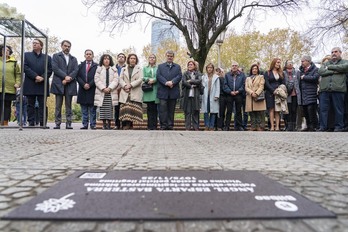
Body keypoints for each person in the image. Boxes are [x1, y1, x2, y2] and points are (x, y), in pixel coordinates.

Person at [23, 38, 53, 128]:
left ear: (41, 46)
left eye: (36, 43)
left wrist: (42, 77)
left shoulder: (47, 57)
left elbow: (50, 69)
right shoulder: (26, 55)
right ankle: (31, 122)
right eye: (33, 43)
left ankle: (43, 123)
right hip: (30, 83)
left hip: (42, 84)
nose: (34, 44)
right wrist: (36, 76)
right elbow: (25, 67)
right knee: (30, 104)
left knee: (42, 104)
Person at [318, 47, 348, 132]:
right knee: (323, 109)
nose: (333, 53)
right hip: (325, 89)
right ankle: (323, 126)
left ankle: (339, 126)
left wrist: (330, 67)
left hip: (338, 89)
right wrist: (335, 70)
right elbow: (320, 71)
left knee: (338, 109)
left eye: (336, 52)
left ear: (340, 53)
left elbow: (345, 67)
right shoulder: (325, 63)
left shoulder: (345, 62)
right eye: (332, 52)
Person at [51, 40, 78, 129]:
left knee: (68, 105)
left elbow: (75, 70)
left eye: (69, 46)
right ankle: (57, 123)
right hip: (59, 83)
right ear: (62, 46)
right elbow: (55, 68)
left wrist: (69, 78)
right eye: (65, 46)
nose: (67, 48)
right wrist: (65, 77)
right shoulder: (56, 56)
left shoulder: (73, 59)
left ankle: (69, 123)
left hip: (70, 84)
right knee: (58, 105)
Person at [156, 50, 182, 130]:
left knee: (171, 110)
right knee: (162, 110)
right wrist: (166, 82)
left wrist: (172, 82)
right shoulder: (160, 66)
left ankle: (170, 125)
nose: (169, 57)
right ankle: (163, 125)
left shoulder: (177, 67)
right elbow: (158, 76)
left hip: (173, 91)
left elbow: (179, 76)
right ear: (166, 56)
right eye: (168, 56)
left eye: (171, 56)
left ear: (173, 57)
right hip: (163, 92)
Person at [94, 54, 119, 130]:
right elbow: (96, 79)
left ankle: (109, 124)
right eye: (104, 59)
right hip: (102, 92)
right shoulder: (99, 69)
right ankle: (104, 124)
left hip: (111, 92)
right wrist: (103, 88)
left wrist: (110, 88)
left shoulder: (114, 69)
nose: (106, 60)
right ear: (102, 60)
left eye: (108, 59)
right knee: (103, 108)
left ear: (110, 60)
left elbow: (116, 80)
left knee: (110, 109)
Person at [119, 53, 143, 130]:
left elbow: (140, 79)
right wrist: (125, 86)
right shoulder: (124, 69)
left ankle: (131, 124)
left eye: (134, 58)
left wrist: (131, 85)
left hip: (134, 90)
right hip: (125, 91)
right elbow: (120, 79)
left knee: (133, 108)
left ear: (136, 60)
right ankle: (126, 124)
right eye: (131, 58)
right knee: (126, 108)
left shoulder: (139, 69)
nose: (133, 60)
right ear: (128, 59)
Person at [76, 49, 98, 130]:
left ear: (93, 56)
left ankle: (93, 124)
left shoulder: (96, 66)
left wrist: (90, 84)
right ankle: (85, 124)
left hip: (92, 89)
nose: (88, 55)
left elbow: (97, 77)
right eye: (87, 54)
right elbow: (77, 76)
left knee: (92, 109)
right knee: (84, 108)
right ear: (84, 55)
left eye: (90, 54)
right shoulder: (80, 65)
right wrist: (83, 84)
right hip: (82, 89)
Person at [0, 44, 21, 126]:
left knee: (7, 105)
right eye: (4, 50)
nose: (6, 52)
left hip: (9, 87)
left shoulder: (14, 62)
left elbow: (18, 74)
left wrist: (18, 83)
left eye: (8, 50)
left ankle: (5, 121)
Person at [223, 61, 246, 131]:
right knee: (229, 111)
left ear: (238, 67)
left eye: (236, 65)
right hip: (229, 94)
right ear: (231, 67)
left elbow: (244, 85)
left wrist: (238, 91)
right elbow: (225, 85)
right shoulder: (227, 75)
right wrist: (230, 91)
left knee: (238, 111)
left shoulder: (242, 75)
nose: (234, 67)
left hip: (239, 94)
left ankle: (239, 126)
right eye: (233, 65)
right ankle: (227, 126)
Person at [299, 55, 319, 132]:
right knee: (305, 111)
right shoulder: (301, 71)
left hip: (311, 94)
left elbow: (315, 78)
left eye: (303, 61)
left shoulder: (315, 69)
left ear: (308, 61)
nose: (302, 63)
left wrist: (304, 77)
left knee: (311, 111)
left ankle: (314, 126)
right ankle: (308, 125)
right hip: (303, 94)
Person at [264, 58, 285, 131]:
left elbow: (283, 82)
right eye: (277, 62)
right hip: (270, 93)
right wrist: (273, 90)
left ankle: (277, 127)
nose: (278, 64)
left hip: (279, 93)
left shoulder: (281, 73)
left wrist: (280, 90)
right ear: (274, 63)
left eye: (279, 62)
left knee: (277, 110)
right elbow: (266, 83)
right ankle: (272, 126)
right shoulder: (268, 72)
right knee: (271, 109)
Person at [181, 60, 203, 131]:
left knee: (195, 112)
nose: (189, 66)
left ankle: (196, 127)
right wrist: (191, 86)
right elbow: (184, 82)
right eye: (189, 65)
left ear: (194, 66)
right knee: (187, 112)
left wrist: (190, 81)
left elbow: (199, 81)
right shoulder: (185, 73)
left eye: (191, 64)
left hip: (195, 95)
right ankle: (187, 127)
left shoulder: (198, 73)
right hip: (187, 95)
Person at [245, 64, 266, 131]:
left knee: (259, 112)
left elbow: (261, 86)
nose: (254, 70)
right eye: (253, 69)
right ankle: (253, 126)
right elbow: (246, 87)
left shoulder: (261, 77)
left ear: (258, 70)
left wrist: (256, 93)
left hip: (258, 96)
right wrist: (251, 93)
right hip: (250, 96)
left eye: (256, 69)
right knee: (252, 112)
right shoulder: (248, 78)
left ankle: (260, 126)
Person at [201, 63, 220, 131]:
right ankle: (207, 126)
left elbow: (218, 87)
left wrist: (217, 95)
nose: (209, 69)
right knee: (206, 111)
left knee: (213, 112)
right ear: (206, 69)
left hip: (213, 96)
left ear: (213, 69)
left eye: (211, 67)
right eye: (208, 67)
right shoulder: (203, 77)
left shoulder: (216, 77)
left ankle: (211, 126)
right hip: (205, 96)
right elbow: (202, 86)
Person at [283, 60, 301, 131]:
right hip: (287, 95)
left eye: (291, 63)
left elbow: (299, 82)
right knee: (288, 110)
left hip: (295, 94)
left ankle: (294, 126)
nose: (290, 64)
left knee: (294, 110)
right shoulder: (283, 73)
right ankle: (288, 125)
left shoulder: (297, 72)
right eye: (288, 63)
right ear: (286, 65)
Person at [142, 54, 159, 130]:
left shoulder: (158, 68)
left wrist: (154, 80)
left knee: (155, 109)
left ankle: (154, 126)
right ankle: (149, 126)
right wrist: (148, 79)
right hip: (148, 90)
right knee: (149, 109)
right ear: (148, 59)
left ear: (155, 59)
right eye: (150, 58)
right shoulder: (145, 68)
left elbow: (159, 76)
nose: (152, 59)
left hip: (155, 89)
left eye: (153, 58)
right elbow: (143, 76)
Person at [114, 53, 126, 129]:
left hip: (124, 89)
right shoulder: (113, 68)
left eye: (123, 57)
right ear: (117, 58)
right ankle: (117, 124)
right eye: (119, 57)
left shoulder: (127, 67)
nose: (121, 58)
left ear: (125, 59)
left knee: (124, 107)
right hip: (115, 89)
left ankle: (125, 124)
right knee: (116, 107)